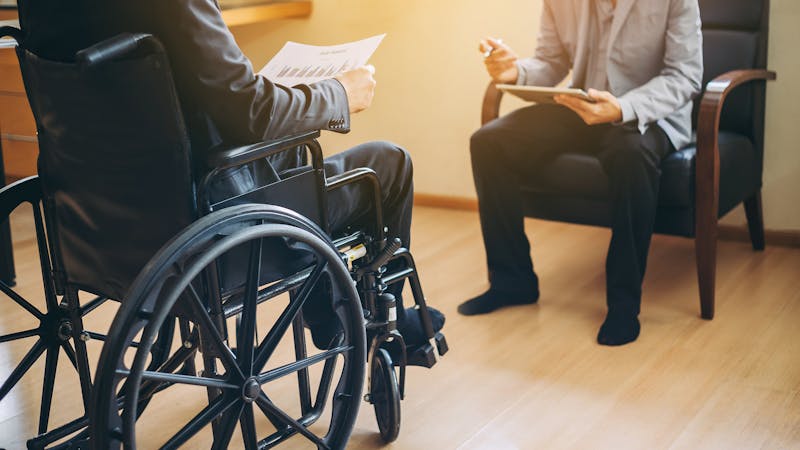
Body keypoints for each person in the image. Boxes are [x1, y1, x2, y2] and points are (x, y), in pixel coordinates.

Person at [15, 0, 443, 357]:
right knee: (388, 163)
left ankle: (330, 315)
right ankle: (379, 320)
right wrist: (339, 95)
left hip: (95, 217)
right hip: (208, 217)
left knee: (292, 158)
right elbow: (251, 112)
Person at [459, 0, 703, 346]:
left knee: (630, 155)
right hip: (583, 106)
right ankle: (512, 281)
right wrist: (514, 73)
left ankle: (623, 306)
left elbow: (684, 75)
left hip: (648, 113)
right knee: (489, 143)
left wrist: (623, 107)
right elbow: (551, 62)